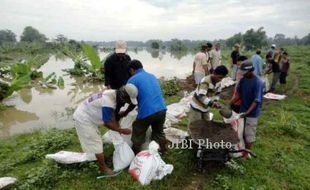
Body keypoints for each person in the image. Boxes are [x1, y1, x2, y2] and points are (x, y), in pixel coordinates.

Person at [73, 84, 137, 175]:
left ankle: (91, 152)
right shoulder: (108, 102)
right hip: (84, 118)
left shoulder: (114, 94)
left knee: (92, 139)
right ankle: (103, 168)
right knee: (96, 142)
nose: (125, 103)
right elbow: (107, 123)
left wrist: (119, 123)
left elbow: (113, 115)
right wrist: (121, 130)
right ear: (122, 97)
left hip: (89, 114)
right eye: (126, 101)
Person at [121, 60, 167, 155]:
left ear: (131, 70)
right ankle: (163, 152)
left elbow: (133, 102)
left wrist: (125, 113)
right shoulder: (152, 76)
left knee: (137, 133)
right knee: (159, 133)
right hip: (162, 108)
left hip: (147, 112)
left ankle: (137, 156)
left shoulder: (132, 80)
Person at [230, 62, 263, 158]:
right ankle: (242, 149)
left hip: (252, 113)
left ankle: (246, 154)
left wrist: (247, 112)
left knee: (249, 134)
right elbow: (238, 95)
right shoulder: (243, 80)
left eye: (245, 72)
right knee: (241, 131)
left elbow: (256, 100)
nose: (243, 74)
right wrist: (230, 104)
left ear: (251, 70)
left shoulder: (258, 82)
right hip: (242, 110)